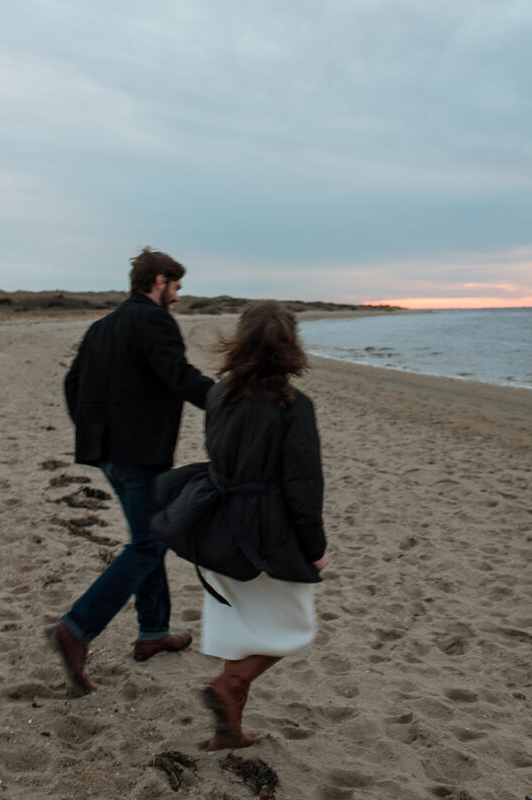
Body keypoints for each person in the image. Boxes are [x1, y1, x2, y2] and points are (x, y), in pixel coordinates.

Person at [46, 247, 214, 693]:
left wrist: (94, 431)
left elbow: (72, 383)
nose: (178, 296)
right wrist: (229, 402)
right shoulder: (154, 321)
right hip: (139, 455)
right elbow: (178, 376)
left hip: (107, 454)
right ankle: (76, 628)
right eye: (176, 286)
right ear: (159, 281)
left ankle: (153, 631)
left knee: (151, 534)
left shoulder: (102, 326)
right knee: (148, 542)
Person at [193, 301, 328, 750]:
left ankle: (228, 730)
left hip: (219, 523)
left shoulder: (218, 395)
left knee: (238, 629)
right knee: (294, 626)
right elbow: (303, 487)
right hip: (269, 531)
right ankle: (229, 688)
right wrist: (315, 547)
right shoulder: (294, 405)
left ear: (242, 339)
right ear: (291, 345)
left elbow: (217, 457)